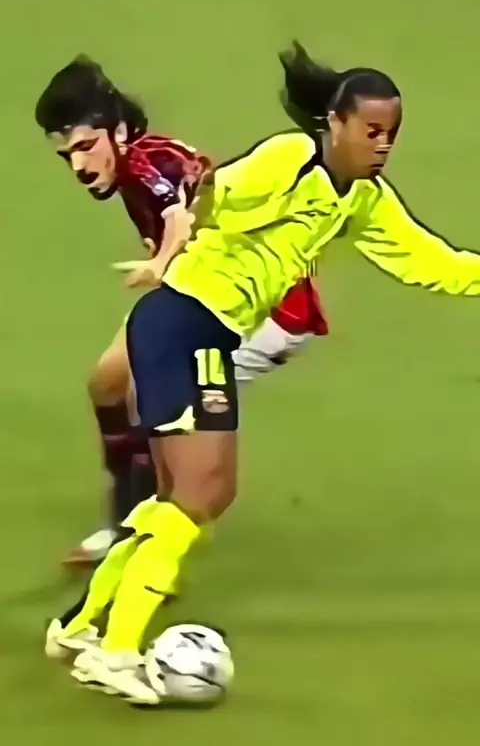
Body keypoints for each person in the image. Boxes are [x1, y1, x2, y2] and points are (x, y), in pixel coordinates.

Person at [48, 40, 480, 705]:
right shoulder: (289, 159)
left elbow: (433, 263)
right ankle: (117, 650)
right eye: (371, 130)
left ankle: (79, 628)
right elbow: (215, 191)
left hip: (207, 336)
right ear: (335, 123)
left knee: (192, 495)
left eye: (391, 133)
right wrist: (180, 224)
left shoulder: (362, 201)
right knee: (199, 492)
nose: (383, 144)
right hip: (182, 321)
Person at [35, 56, 329, 568]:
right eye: (68, 156)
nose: (79, 166)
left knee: (164, 423)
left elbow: (178, 218)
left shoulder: (146, 163)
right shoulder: (141, 166)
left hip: (264, 315)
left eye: (85, 147)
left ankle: (146, 549)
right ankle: (131, 517)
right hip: (205, 294)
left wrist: (160, 262)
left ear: (118, 132)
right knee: (109, 383)